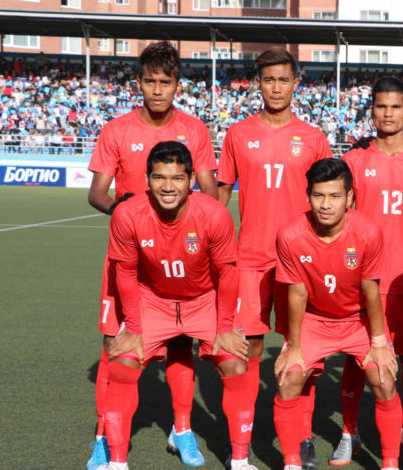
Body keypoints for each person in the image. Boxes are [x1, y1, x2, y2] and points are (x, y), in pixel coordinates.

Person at [86, 42, 218, 470]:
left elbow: (211, 192)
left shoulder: (195, 130)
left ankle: (182, 431)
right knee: (114, 347)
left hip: (180, 260)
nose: (157, 90)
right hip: (127, 258)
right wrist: (122, 209)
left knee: (181, 346)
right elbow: (96, 193)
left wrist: (196, 213)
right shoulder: (116, 130)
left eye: (166, 82)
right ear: (138, 82)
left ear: (177, 85)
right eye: (150, 81)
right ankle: (104, 438)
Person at [216, 47, 333, 469]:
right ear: (257, 84)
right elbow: (218, 197)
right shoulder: (237, 134)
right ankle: (241, 448)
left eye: (284, 79)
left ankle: (301, 439)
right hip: (249, 259)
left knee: (302, 350)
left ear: (296, 83)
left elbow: (329, 201)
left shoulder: (314, 137)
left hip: (300, 263)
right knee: (246, 350)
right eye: (268, 80)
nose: (277, 87)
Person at [98, 141, 244, 470]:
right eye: (159, 177)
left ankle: (240, 458)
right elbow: (125, 272)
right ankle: (117, 461)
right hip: (154, 301)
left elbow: (227, 274)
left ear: (192, 180)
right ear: (147, 179)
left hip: (202, 301)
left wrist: (225, 329)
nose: (168, 186)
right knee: (123, 364)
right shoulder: (127, 213)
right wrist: (133, 329)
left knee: (234, 363)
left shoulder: (214, 213)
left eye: (178, 178)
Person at [334, 76, 403, 466]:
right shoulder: (353, 160)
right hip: (364, 280)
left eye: (395, 106)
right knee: (356, 359)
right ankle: (350, 432)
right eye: (381, 106)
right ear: (372, 110)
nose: (388, 113)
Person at [274, 158, 403, 470]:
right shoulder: (290, 235)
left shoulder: (368, 232)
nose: (326, 204)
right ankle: (292, 462)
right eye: (318, 196)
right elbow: (298, 292)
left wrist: (379, 341)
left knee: (384, 379)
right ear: (308, 195)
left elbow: (371, 290)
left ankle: (390, 463)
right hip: (315, 320)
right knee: (289, 379)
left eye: (334, 196)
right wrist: (293, 345)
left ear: (350, 198)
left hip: (358, 320)